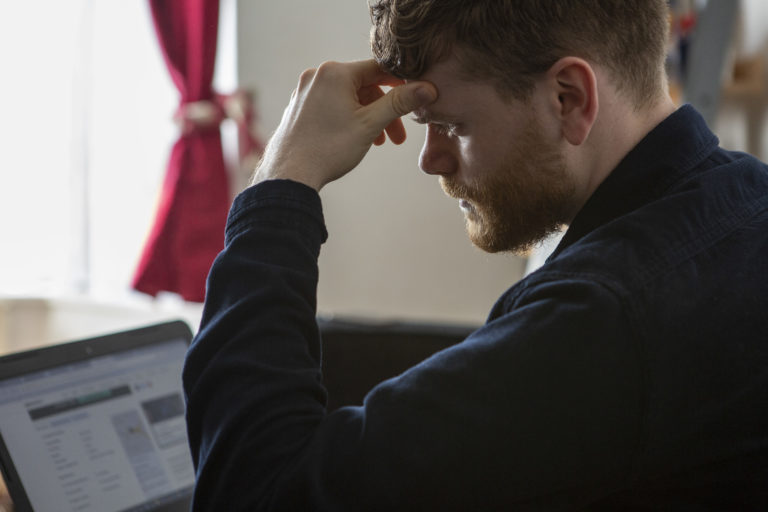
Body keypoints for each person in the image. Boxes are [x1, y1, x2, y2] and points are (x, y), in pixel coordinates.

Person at [183, 0, 768, 509]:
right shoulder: (747, 201)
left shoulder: (606, 317)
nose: (429, 159)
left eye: (449, 124)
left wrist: (282, 180)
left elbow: (254, 491)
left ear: (569, 97)